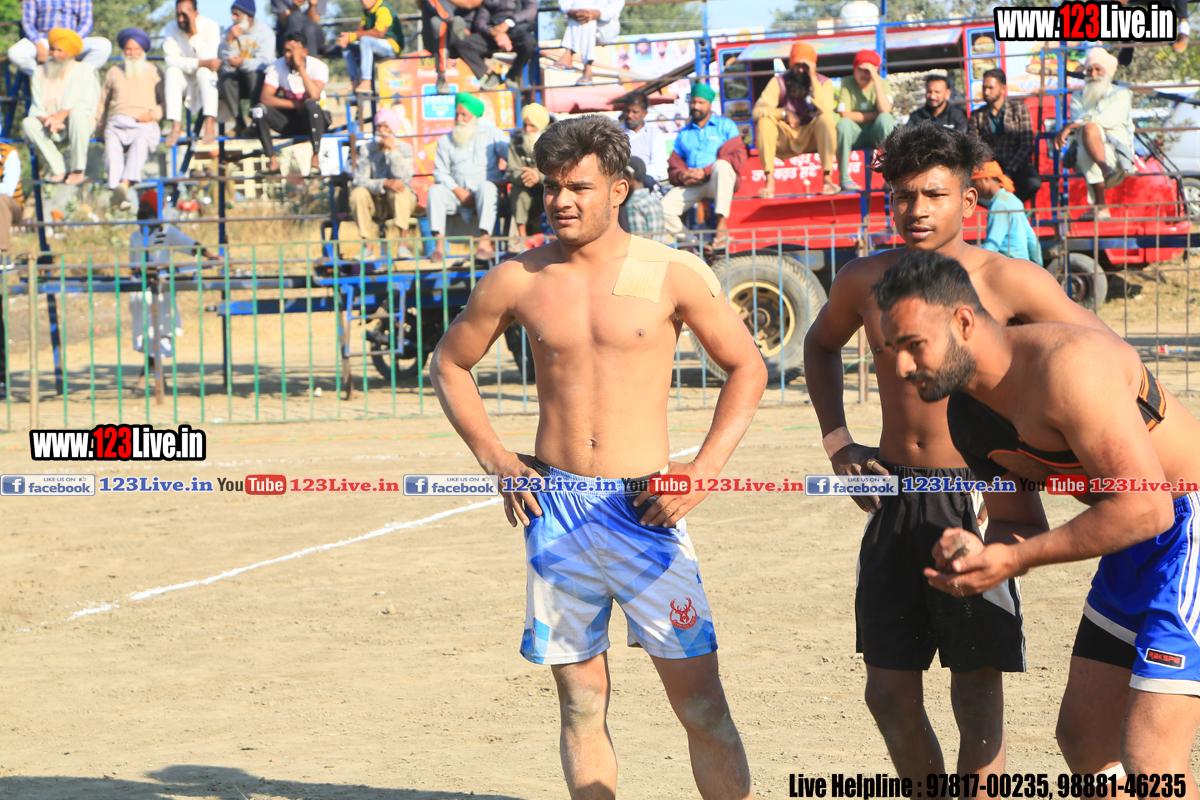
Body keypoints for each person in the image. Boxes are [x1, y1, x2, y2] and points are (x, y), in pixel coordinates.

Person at [428, 113, 764, 800]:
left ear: (618, 188)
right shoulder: (517, 278)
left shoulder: (671, 272)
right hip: (555, 510)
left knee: (702, 705)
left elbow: (747, 367)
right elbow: (449, 363)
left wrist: (702, 471)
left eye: (578, 186)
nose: (561, 200)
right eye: (552, 187)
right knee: (581, 702)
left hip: (647, 509)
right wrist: (495, 457)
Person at [802, 122, 1113, 783]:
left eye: (933, 194)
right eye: (902, 195)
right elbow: (819, 344)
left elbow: (1103, 355)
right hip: (893, 496)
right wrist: (838, 442)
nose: (916, 209)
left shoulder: (1011, 282)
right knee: (888, 694)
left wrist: (1051, 455)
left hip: (983, 495)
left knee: (975, 693)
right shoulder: (864, 278)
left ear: (968, 201)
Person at [873, 248, 1200, 790]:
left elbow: (1148, 505)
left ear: (964, 322)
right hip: (1137, 541)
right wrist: (982, 552)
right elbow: (1017, 521)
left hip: (1188, 524)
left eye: (913, 345)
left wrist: (1016, 558)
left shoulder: (1068, 365)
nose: (902, 368)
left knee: (1151, 758)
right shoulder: (968, 415)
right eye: (892, 351)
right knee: (1085, 739)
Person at [127, 190, 215, 382]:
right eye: (140, 207)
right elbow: (132, 266)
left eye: (146, 207)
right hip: (140, 291)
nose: (142, 210)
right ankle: (156, 379)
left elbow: (191, 245)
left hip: (161, 290)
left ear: (154, 210)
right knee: (147, 334)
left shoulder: (166, 232)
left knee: (158, 334)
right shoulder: (135, 237)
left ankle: (150, 378)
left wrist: (211, 257)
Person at [662, 82, 748, 249]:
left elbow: (739, 155)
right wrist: (682, 175)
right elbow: (674, 165)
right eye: (693, 102)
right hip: (694, 184)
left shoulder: (725, 125)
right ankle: (696, 244)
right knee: (662, 209)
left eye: (701, 102)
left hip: (720, 182)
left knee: (722, 165)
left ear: (709, 104)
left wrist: (705, 171)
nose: (696, 106)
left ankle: (721, 225)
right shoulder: (684, 133)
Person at [1054, 48, 1135, 222]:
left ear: (1107, 72)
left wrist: (1075, 125)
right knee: (1087, 138)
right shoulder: (1078, 96)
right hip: (1089, 149)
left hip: (1117, 149)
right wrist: (1086, 125)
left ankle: (1100, 205)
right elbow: (1078, 117)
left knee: (1089, 131)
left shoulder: (1121, 93)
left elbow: (1109, 119)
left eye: (1098, 69)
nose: (1093, 74)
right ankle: (1105, 173)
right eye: (1089, 70)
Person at [427, 92, 509, 261]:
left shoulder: (492, 134)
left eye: (464, 114)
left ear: (474, 116)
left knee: (486, 187)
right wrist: (458, 191)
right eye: (456, 114)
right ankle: (439, 246)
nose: (459, 119)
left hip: (485, 195)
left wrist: (505, 180)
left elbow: (513, 159)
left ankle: (485, 242)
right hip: (456, 195)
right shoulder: (446, 140)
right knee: (435, 191)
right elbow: (440, 172)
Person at [752, 41, 838, 197]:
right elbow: (757, 111)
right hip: (785, 136)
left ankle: (827, 177)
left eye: (805, 66)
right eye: (797, 65)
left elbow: (826, 110)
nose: (801, 70)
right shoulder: (779, 82)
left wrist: (813, 79)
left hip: (812, 136)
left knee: (826, 119)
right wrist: (784, 113)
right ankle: (769, 180)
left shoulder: (824, 82)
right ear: (791, 64)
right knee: (764, 122)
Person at [21, 29, 100, 186]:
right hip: (50, 125)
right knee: (28, 123)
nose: (54, 54)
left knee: (77, 114)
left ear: (70, 52)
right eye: (52, 49)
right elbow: (36, 107)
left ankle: (78, 169)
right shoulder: (39, 72)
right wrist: (47, 120)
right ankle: (59, 169)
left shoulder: (86, 70)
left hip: (78, 124)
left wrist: (63, 115)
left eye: (59, 50)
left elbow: (88, 103)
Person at [98, 28, 165, 210]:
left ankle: (123, 185)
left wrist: (152, 115)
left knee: (141, 142)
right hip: (117, 122)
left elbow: (165, 103)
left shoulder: (155, 71)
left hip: (143, 123)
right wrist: (100, 127)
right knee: (111, 147)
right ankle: (121, 194)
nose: (133, 53)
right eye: (129, 49)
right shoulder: (113, 71)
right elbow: (102, 102)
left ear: (143, 50)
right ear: (123, 51)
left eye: (136, 49)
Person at [251, 32, 330, 175]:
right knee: (258, 110)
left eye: (292, 51)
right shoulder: (277, 66)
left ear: (304, 51)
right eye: (286, 50)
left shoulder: (318, 66)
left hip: (314, 120)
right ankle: (273, 163)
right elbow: (266, 97)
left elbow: (314, 95)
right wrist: (298, 105)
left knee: (311, 104)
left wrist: (300, 66)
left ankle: (315, 160)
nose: (288, 55)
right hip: (290, 120)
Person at [350, 108, 417, 260]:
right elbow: (359, 180)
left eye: (386, 126)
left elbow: (404, 179)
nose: (381, 130)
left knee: (400, 190)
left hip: (399, 202)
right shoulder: (367, 149)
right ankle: (367, 247)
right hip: (375, 202)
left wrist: (393, 151)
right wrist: (384, 183)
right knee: (357, 193)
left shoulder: (404, 148)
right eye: (378, 126)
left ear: (392, 129)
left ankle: (403, 245)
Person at [966, 69, 1041, 204]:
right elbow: (975, 147)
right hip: (991, 166)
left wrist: (1009, 170)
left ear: (1002, 88)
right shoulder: (977, 115)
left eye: (990, 88)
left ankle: (1011, 206)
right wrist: (994, 169)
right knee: (973, 188)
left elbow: (1026, 144)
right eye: (984, 88)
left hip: (1018, 163)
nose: (986, 92)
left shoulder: (1019, 108)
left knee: (1033, 183)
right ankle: (1003, 207)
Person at [163, 0, 222, 150]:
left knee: (205, 72)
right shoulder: (171, 27)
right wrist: (199, 63)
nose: (181, 19)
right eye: (178, 15)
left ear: (196, 13)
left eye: (185, 14)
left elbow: (211, 61)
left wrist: (195, 32)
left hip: (206, 79)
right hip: (184, 79)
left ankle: (210, 125)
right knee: (171, 72)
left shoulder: (211, 26)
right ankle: (176, 126)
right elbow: (170, 60)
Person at [836, 49, 895, 193]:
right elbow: (845, 114)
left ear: (876, 70)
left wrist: (875, 78)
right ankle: (844, 179)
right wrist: (876, 114)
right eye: (860, 70)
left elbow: (885, 109)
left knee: (886, 119)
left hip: (876, 133)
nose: (863, 74)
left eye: (867, 71)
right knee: (843, 124)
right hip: (855, 134)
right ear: (854, 69)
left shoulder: (882, 83)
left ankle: (891, 176)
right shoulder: (847, 82)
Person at [8, 0, 112, 77]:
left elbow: (87, 22)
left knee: (104, 46)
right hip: (44, 40)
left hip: (73, 38)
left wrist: (71, 44)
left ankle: (76, 78)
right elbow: (27, 22)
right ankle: (43, 78)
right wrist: (38, 43)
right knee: (15, 53)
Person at [217, 0, 274, 134]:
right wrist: (229, 42)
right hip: (236, 83)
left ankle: (255, 122)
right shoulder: (227, 33)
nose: (233, 18)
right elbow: (223, 66)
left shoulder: (265, 32)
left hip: (257, 83)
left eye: (237, 14)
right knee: (225, 78)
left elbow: (264, 63)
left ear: (249, 16)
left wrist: (243, 62)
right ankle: (239, 123)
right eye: (232, 14)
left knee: (255, 74)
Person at [454, 0, 539, 89]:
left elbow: (531, 11)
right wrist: (492, 31)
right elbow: (480, 21)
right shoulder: (487, 2)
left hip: (518, 30)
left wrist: (509, 23)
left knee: (529, 43)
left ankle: (513, 75)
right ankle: (490, 74)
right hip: (493, 33)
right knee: (462, 44)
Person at [970, 161, 1042, 265]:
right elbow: (1032, 240)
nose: (973, 186)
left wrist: (976, 265)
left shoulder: (998, 204)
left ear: (985, 179)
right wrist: (1039, 267)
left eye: (974, 182)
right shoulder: (1014, 199)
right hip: (1023, 265)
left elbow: (992, 244)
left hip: (1007, 266)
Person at [334, 0, 406, 95]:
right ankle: (355, 81)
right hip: (373, 44)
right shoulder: (366, 11)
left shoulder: (382, 9)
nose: (364, 1)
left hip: (392, 46)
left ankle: (366, 81)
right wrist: (347, 38)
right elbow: (360, 30)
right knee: (346, 45)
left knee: (365, 40)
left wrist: (352, 36)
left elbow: (379, 32)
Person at [551, 0, 624, 85]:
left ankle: (569, 54)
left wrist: (595, 13)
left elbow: (614, 8)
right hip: (584, 27)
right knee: (581, 9)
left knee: (587, 14)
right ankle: (587, 68)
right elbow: (564, 3)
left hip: (606, 29)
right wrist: (572, 12)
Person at [506, 103, 549, 247]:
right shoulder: (516, 141)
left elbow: (556, 171)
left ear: (540, 126)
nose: (527, 129)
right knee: (517, 190)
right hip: (524, 187)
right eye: (525, 125)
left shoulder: (551, 141)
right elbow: (512, 171)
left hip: (546, 186)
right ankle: (522, 238)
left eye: (532, 126)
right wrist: (528, 176)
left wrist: (539, 176)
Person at [420, 0, 484, 96]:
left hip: (461, 38)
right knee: (437, 22)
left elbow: (470, 4)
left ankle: (441, 77)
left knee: (439, 23)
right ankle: (451, 21)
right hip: (435, 37)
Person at [622, 90, 668, 183]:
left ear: (645, 113)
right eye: (627, 111)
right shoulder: (616, 133)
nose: (630, 115)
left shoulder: (654, 133)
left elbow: (658, 168)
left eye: (635, 112)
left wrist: (635, 176)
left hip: (645, 181)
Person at [623, 155, 666, 242]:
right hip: (660, 249)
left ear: (629, 175)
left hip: (645, 249)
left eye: (622, 175)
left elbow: (638, 240)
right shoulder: (655, 201)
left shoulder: (634, 203)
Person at [0, 142, 24, 266]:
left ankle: (3, 254)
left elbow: (8, 189)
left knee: (0, 200)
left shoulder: (9, 153)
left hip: (12, 206)